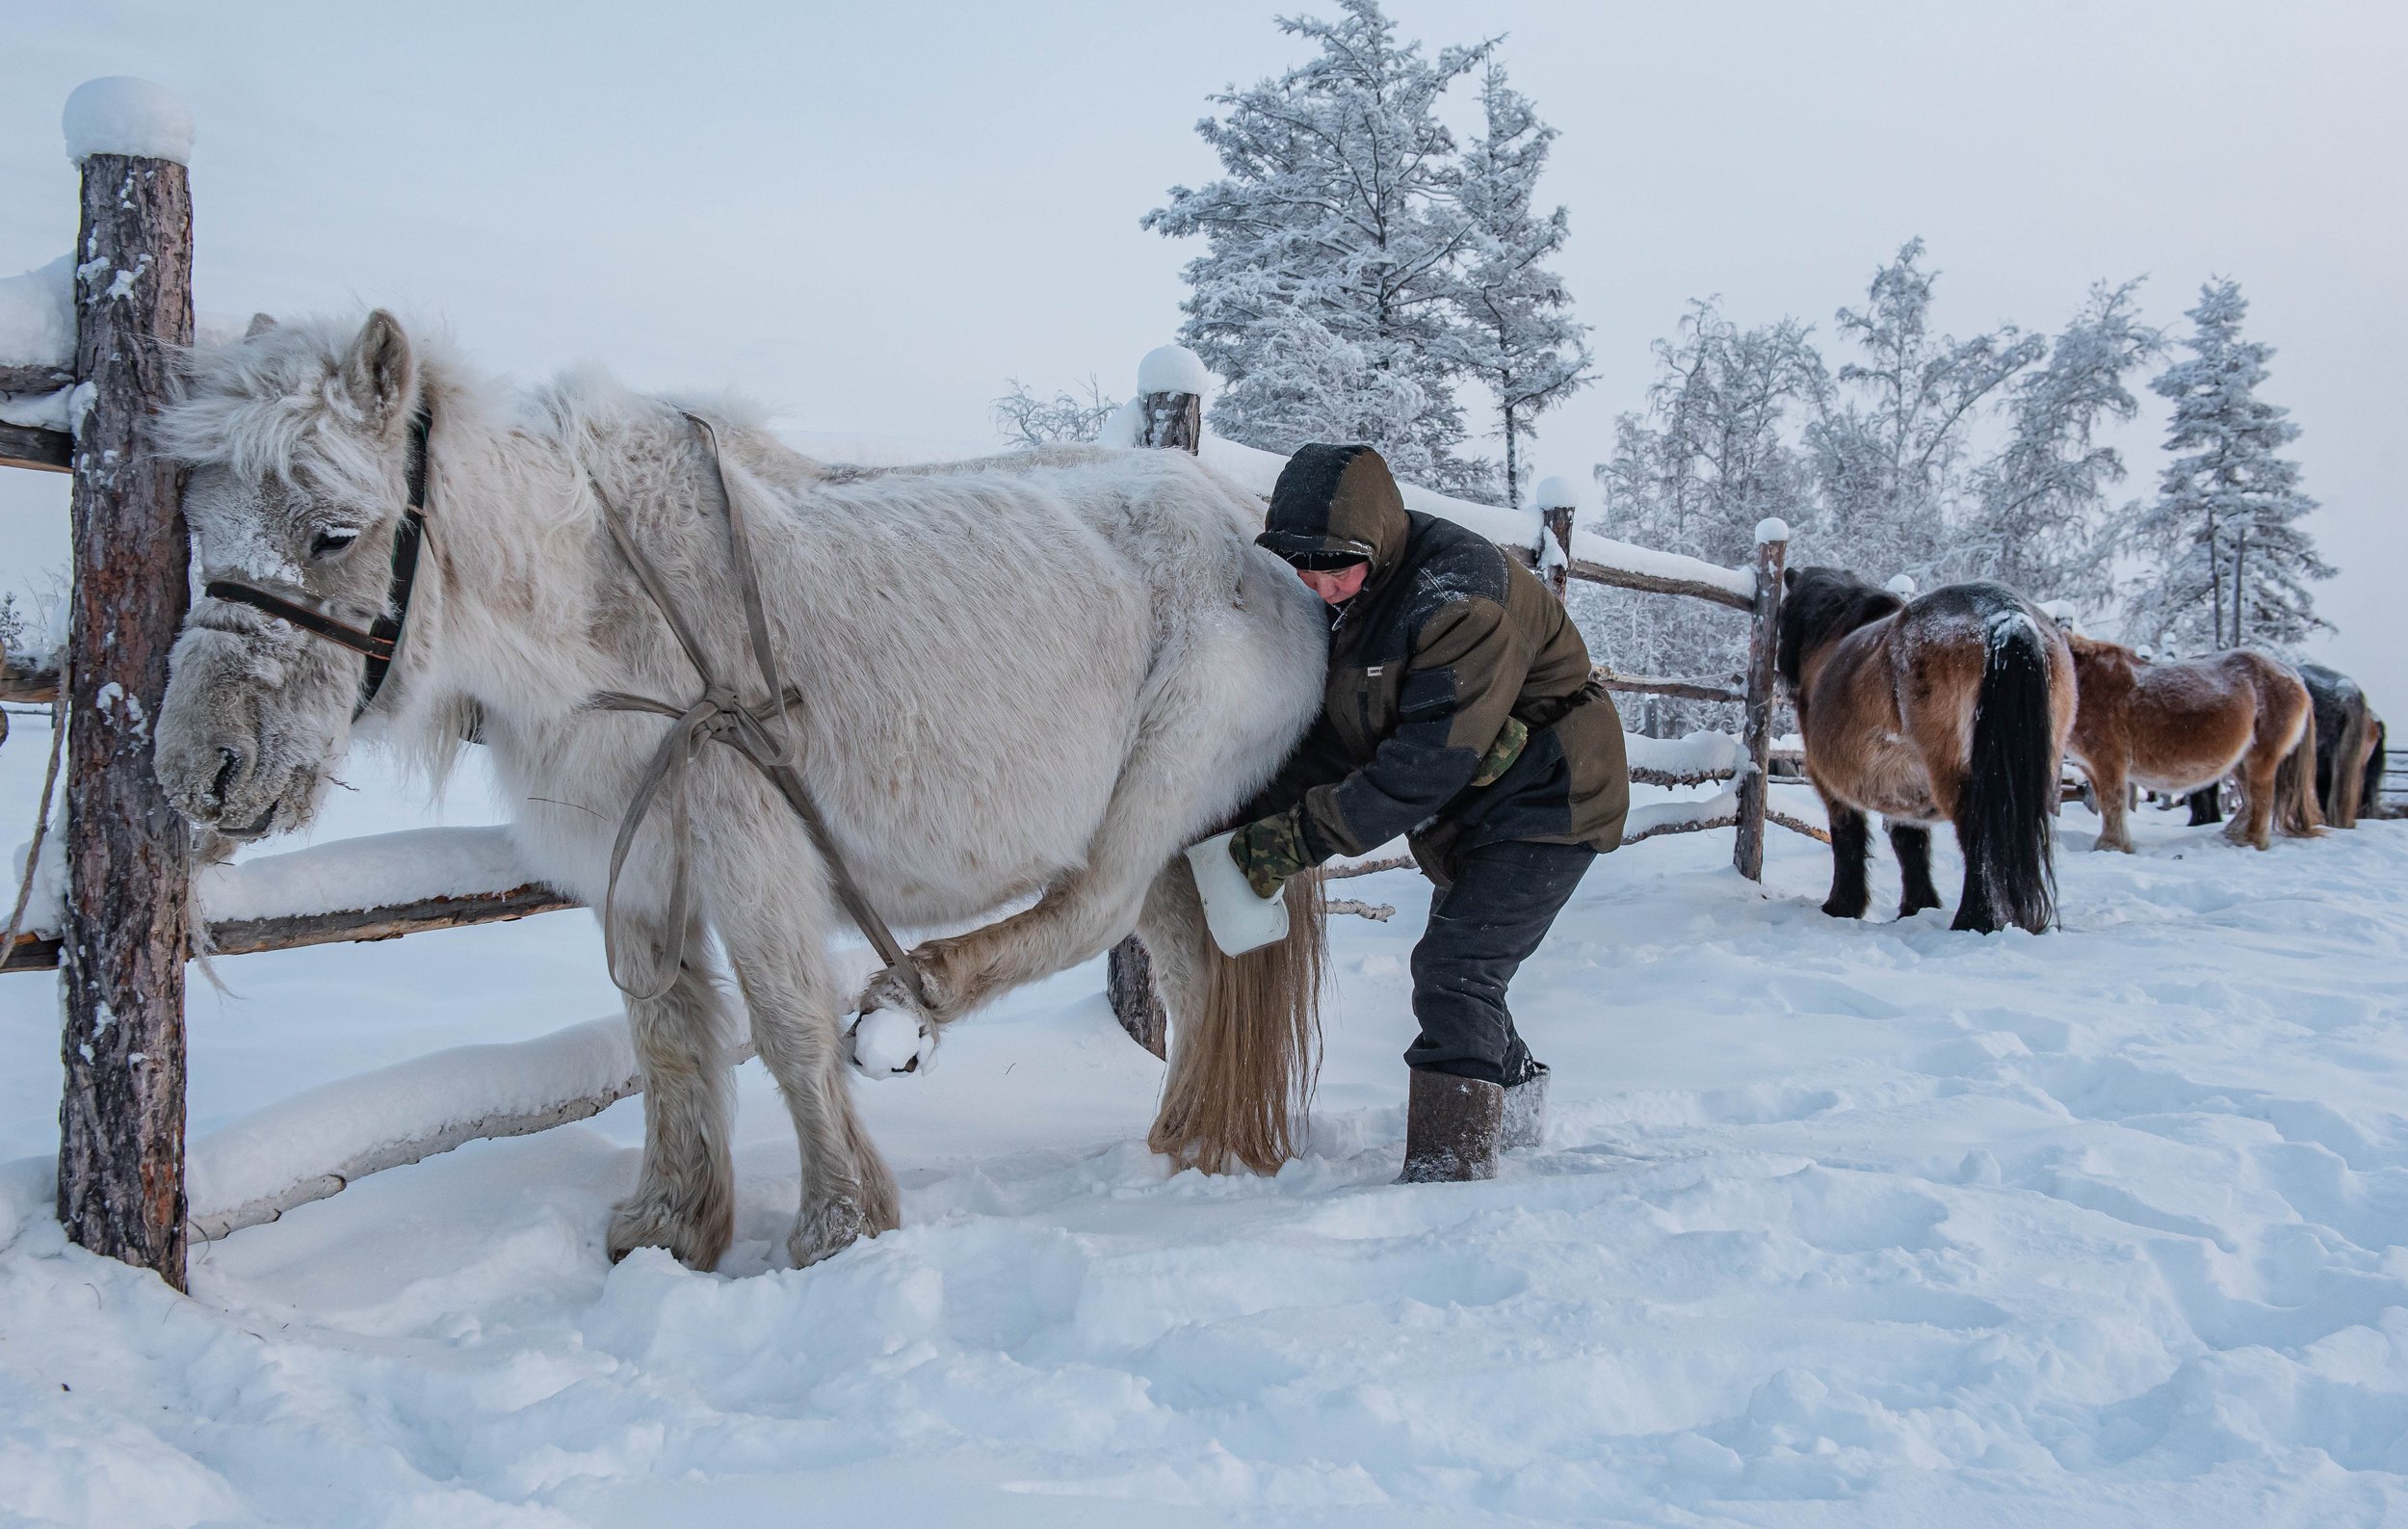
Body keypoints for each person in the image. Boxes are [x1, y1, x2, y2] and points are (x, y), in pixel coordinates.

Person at [1228, 443, 1629, 1182]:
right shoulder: (1355, 599)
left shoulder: (1456, 599)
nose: (1315, 583)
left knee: (1455, 971)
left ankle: (1451, 1174)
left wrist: (1292, 840)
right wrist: (1242, 808)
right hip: (1482, 804)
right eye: (1299, 564)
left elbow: (1422, 767)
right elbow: (1339, 741)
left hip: (1553, 795)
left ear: (1376, 537)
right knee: (1463, 971)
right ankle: (1513, 1115)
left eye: (1331, 563)